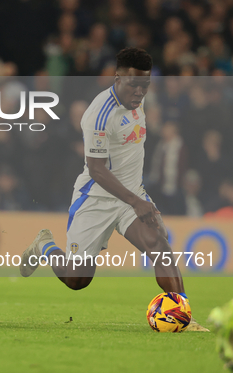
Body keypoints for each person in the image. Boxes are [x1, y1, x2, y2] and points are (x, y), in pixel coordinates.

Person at [20, 48, 208, 332]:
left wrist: (136, 200)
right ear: (117, 77)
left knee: (159, 244)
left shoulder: (139, 100)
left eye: (145, 85)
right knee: (77, 280)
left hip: (131, 196)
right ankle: (45, 244)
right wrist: (137, 201)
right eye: (133, 84)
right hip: (95, 199)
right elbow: (97, 170)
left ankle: (183, 316)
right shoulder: (98, 114)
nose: (139, 91)